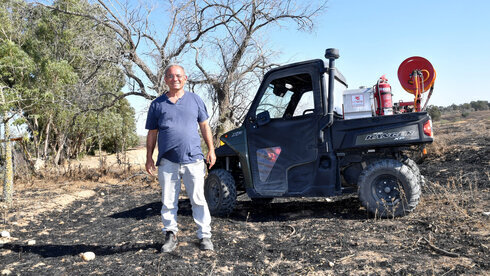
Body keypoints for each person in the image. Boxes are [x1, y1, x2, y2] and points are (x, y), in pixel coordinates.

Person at [145, 64, 216, 252]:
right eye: (170, 76)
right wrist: (149, 157)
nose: (174, 78)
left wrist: (211, 149)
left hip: (193, 159)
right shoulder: (157, 104)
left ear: (185, 78)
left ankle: (205, 236)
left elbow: (205, 126)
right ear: (165, 80)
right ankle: (170, 234)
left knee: (198, 199)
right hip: (168, 161)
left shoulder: (195, 100)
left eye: (178, 75)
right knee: (168, 201)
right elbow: (152, 133)